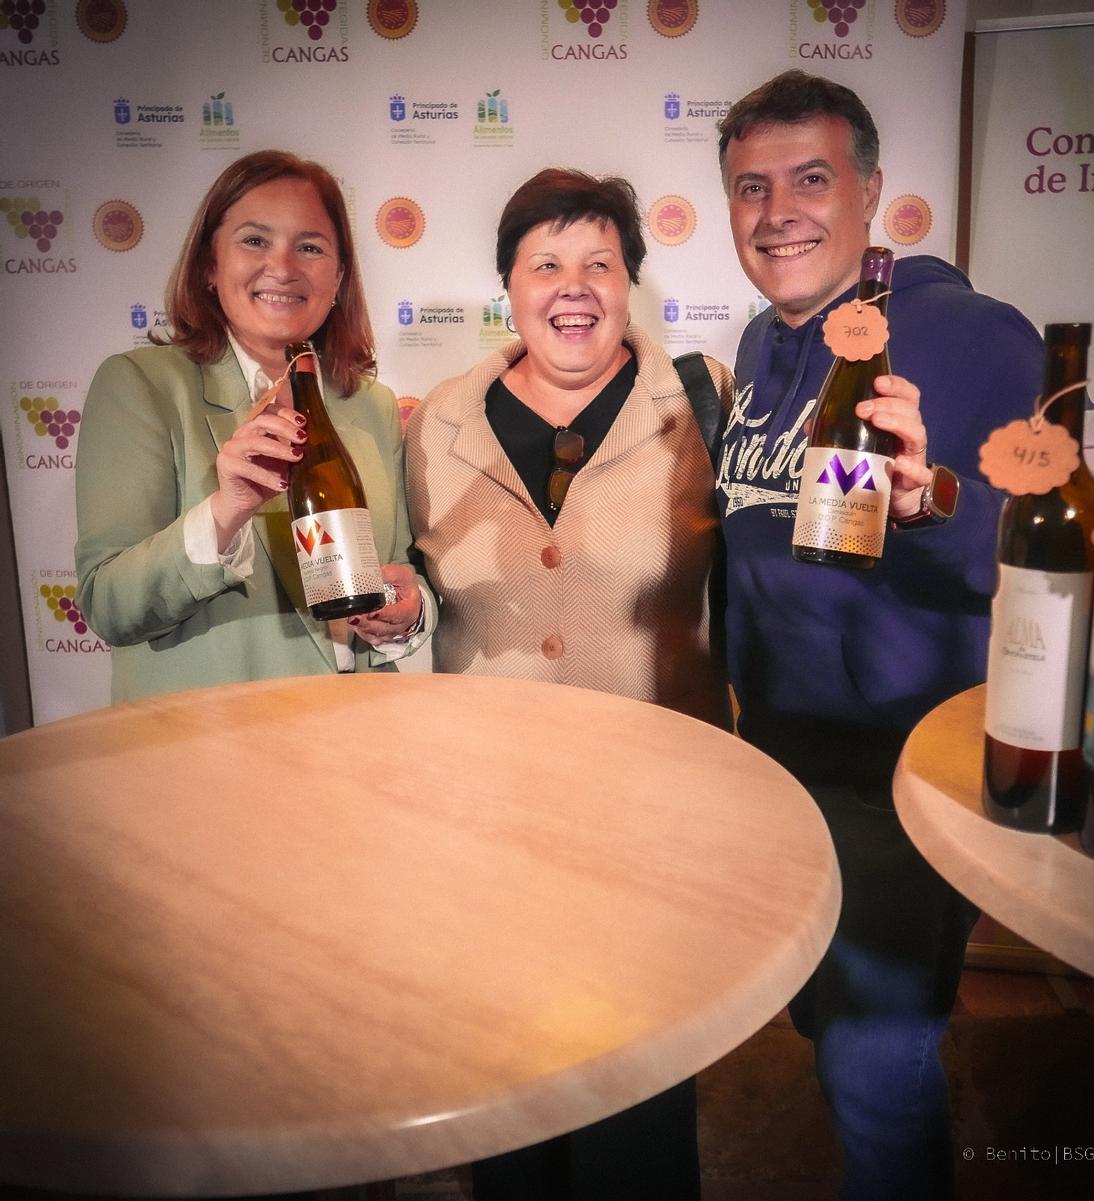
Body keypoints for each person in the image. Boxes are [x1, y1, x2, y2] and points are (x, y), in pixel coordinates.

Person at [715, 71, 1043, 1200]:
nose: (778, 210)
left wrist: (930, 499)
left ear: (871, 192)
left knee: (872, 1058)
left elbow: (1030, 549)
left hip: (899, 772)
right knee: (824, 1023)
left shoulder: (974, 334)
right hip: (777, 761)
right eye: (750, 187)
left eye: (811, 178)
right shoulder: (760, 345)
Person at [404, 167, 732, 1200]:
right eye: (545, 261)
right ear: (508, 283)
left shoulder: (708, 400)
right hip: (486, 829)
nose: (573, 284)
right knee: (508, 1102)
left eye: (600, 261)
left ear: (630, 281)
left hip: (653, 827)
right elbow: (410, 597)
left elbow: (814, 538)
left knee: (638, 1111)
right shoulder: (431, 424)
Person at [75, 150, 432, 703]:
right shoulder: (140, 387)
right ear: (209, 266)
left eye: (310, 247)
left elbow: (401, 568)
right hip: (210, 753)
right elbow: (110, 607)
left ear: (338, 278)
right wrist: (226, 510)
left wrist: (409, 611)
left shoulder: (373, 406)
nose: (283, 267)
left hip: (359, 742)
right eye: (255, 240)